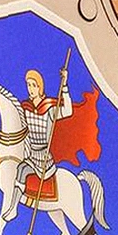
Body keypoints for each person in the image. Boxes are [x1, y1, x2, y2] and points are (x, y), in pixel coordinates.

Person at [16, 67, 71, 195]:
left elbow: (68, 111)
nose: (30, 89)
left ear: (40, 88)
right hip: (31, 156)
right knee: (19, 167)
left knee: (22, 170)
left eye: (34, 85)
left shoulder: (49, 109)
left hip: (44, 160)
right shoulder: (26, 108)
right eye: (29, 85)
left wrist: (64, 86)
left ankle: (13, 205)